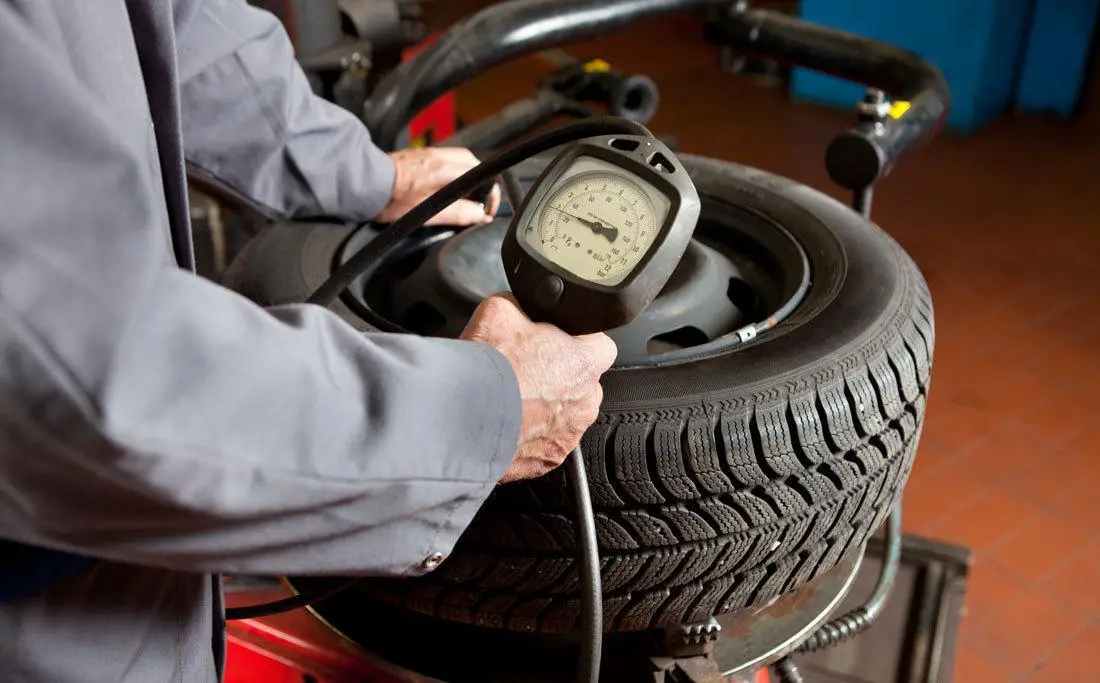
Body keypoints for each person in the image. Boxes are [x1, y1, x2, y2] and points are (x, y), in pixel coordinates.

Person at [0, 1, 617, 681]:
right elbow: (96, 375)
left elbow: (169, 20)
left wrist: (363, 174)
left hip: (138, 584)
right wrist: (479, 414)